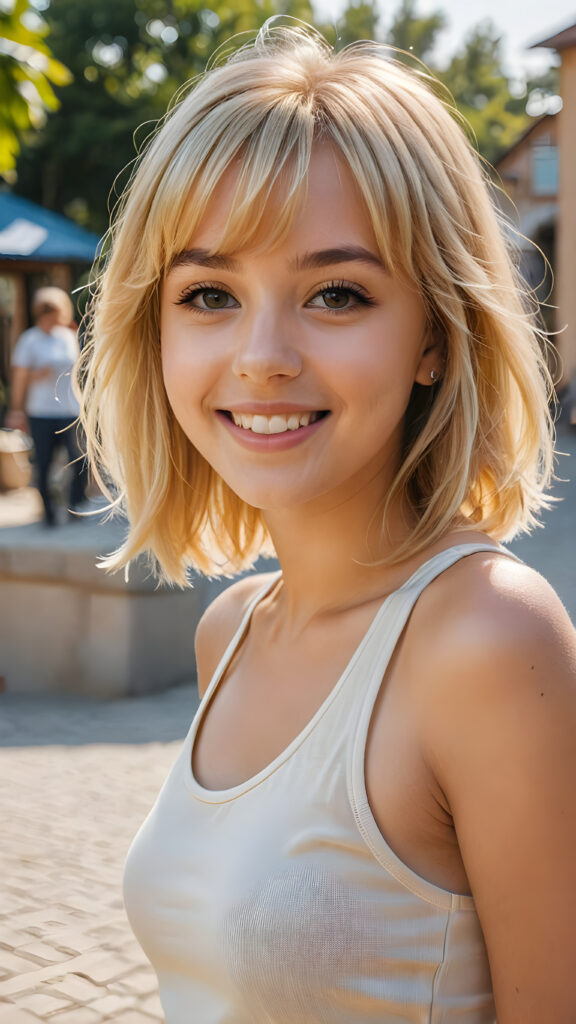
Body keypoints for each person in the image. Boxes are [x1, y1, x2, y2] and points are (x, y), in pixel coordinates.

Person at [78, 23, 576, 1024]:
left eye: (336, 294)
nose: (261, 355)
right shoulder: (233, 628)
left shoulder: (489, 641)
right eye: (210, 293)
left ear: (434, 335)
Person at [6, 285, 86, 525]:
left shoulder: (69, 337)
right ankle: (49, 514)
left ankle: (75, 506)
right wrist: (16, 409)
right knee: (43, 462)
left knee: (79, 461)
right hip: (41, 411)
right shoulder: (29, 340)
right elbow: (19, 378)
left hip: (70, 410)